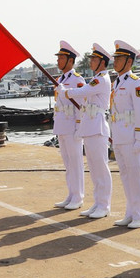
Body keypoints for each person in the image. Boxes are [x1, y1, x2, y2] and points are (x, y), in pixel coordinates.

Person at [62, 43, 113, 219]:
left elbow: (84, 91)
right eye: (91, 59)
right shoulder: (96, 78)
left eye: (94, 59)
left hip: (97, 126)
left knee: (101, 168)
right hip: (90, 125)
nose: (91, 62)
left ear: (102, 62)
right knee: (93, 168)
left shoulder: (102, 79)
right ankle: (98, 203)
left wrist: (66, 92)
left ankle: (104, 205)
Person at [109, 40, 140, 229]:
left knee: (136, 177)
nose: (115, 61)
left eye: (119, 58)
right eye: (115, 58)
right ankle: (131, 212)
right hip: (119, 136)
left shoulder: (135, 83)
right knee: (125, 176)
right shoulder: (117, 83)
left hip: (132, 137)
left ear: (129, 61)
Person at [52, 41, 86, 211]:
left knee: (76, 163)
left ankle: (78, 196)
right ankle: (71, 194)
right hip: (62, 125)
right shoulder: (60, 80)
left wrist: (79, 127)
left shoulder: (77, 80)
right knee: (67, 163)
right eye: (58, 58)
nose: (58, 61)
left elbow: (81, 105)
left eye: (61, 58)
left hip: (72, 126)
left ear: (70, 60)